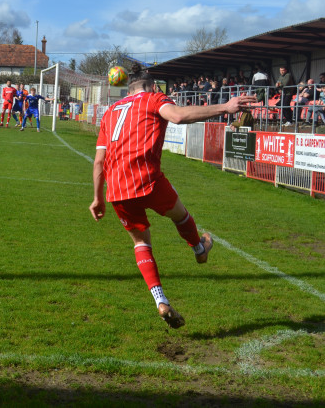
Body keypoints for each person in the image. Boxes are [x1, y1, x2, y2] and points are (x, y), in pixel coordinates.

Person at [88, 63, 256, 329]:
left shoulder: (109, 112)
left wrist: (97, 198)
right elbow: (177, 116)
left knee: (141, 242)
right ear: (152, 86)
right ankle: (200, 250)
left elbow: (99, 162)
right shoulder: (154, 98)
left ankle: (161, 301)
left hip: (117, 188)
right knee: (181, 216)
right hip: (147, 179)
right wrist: (225, 107)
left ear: (127, 88)